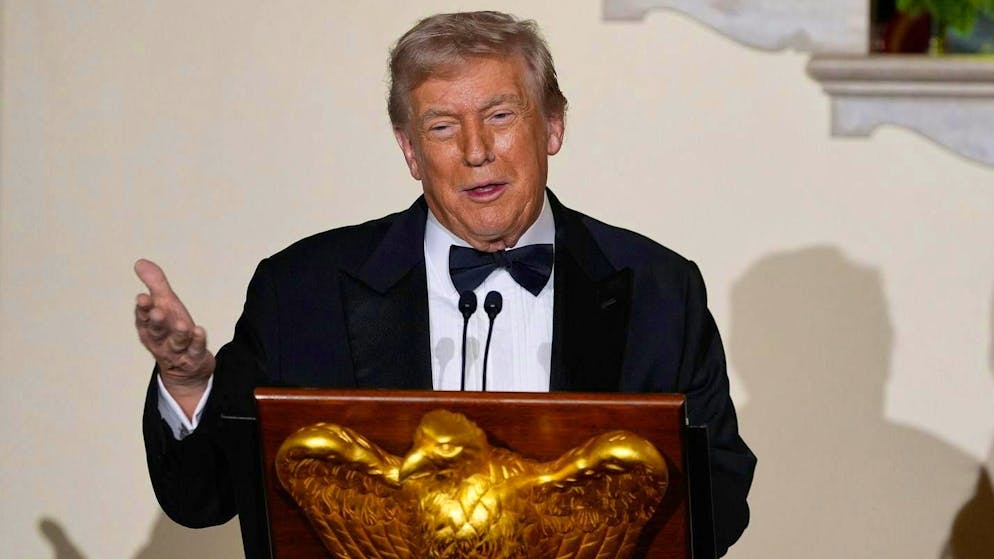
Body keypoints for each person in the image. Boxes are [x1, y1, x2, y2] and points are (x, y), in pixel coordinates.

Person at [135, 11, 755, 558]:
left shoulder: (659, 289)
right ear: (409, 150)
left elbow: (718, 504)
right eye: (441, 127)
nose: (476, 150)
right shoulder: (300, 292)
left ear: (554, 127)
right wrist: (189, 385)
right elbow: (204, 496)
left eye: (501, 115)